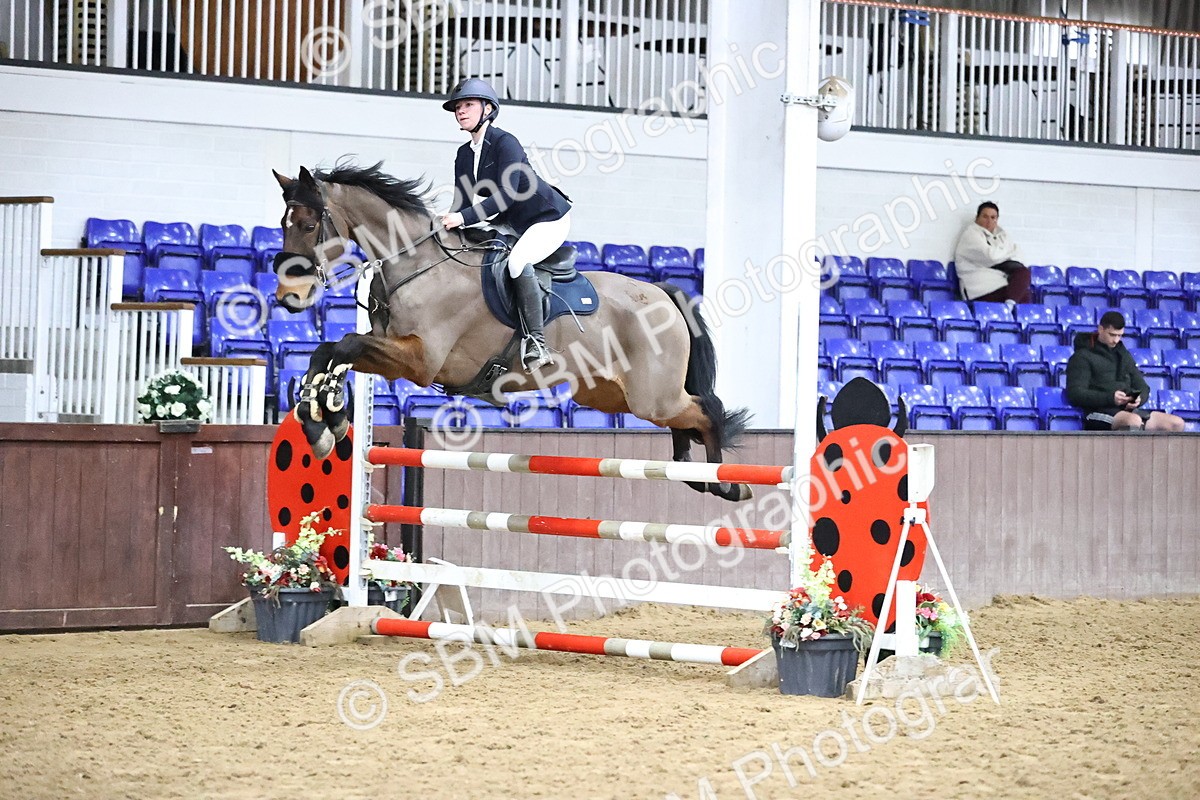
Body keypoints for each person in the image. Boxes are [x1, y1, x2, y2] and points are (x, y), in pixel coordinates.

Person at [439, 78, 572, 371]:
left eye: (468, 105)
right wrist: (441, 225)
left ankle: (537, 342)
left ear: (488, 109)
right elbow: (461, 202)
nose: (461, 111)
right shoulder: (464, 154)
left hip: (546, 218)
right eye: (458, 107)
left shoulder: (504, 142)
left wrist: (463, 218)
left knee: (517, 262)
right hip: (512, 222)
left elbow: (507, 194)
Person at [1066, 310, 1184, 432]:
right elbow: (1075, 394)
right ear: (1101, 329)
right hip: (1095, 412)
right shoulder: (1081, 357)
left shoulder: (1123, 355)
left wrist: (1139, 399)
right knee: (1133, 421)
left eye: (1119, 335)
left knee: (1176, 423)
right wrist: (1110, 398)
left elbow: (1143, 387)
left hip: (1127, 410)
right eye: (1112, 335)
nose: (1116, 340)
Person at [952, 201, 1031, 305]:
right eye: (985, 217)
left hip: (999, 282)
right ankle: (1008, 308)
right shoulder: (971, 235)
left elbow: (1018, 256)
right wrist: (1008, 252)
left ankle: (1009, 306)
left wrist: (1001, 254)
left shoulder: (1002, 234)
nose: (989, 221)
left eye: (993, 217)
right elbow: (991, 256)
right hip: (979, 289)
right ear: (977, 218)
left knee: (1023, 275)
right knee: (1021, 295)